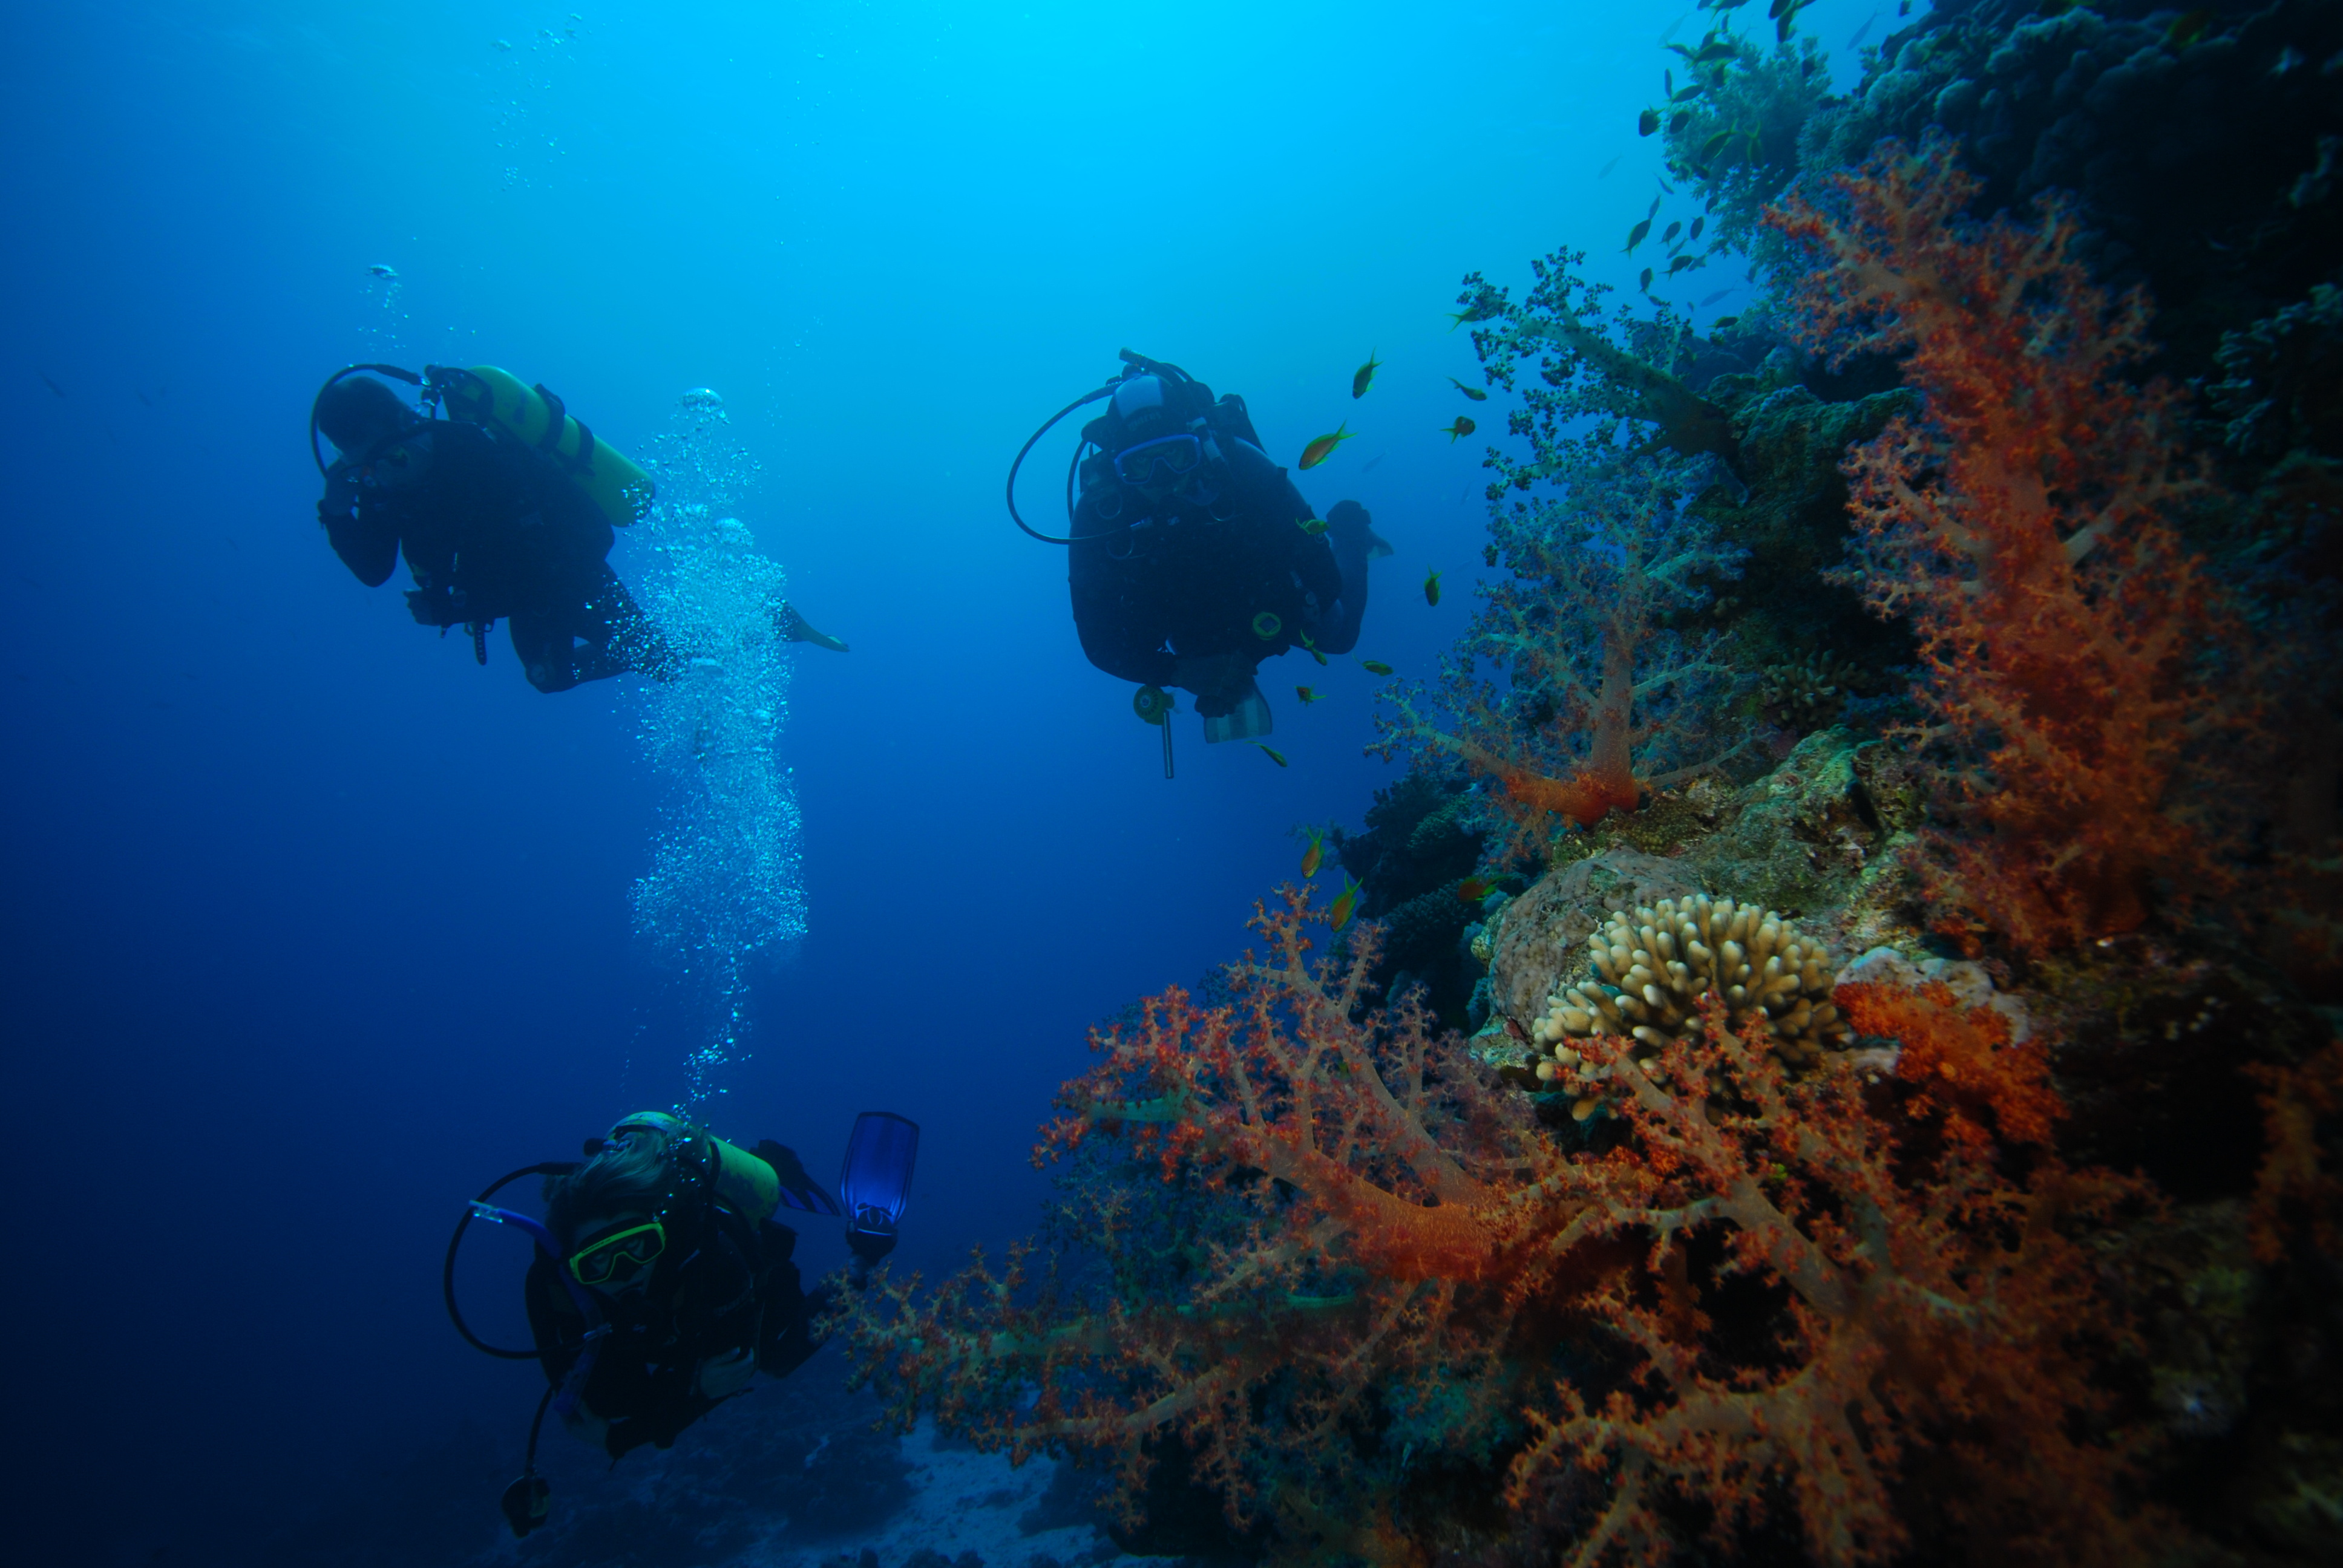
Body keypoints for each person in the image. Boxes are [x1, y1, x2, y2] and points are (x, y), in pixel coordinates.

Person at [312, 372, 850, 688]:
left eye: (381, 456)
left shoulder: (472, 452)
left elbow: (568, 549)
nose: (375, 475)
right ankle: (746, 636)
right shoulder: (380, 486)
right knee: (550, 678)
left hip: (570, 575)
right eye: (360, 467)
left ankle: (768, 622)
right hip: (509, 593)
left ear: (396, 424)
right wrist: (338, 514)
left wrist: (456, 607)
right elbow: (374, 571)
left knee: (659, 660)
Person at [522, 1113, 902, 1461]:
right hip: (659, 1331)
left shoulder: (713, 1254)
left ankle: (860, 1259)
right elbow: (588, 1402)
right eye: (597, 1262)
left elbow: (737, 1367)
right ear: (572, 1264)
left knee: (776, 1359)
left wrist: (623, 1437)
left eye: (639, 1246)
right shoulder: (551, 1286)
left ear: (662, 1235)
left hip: (735, 1280)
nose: (624, 1273)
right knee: (616, 1398)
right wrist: (680, 1396)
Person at [1066, 359, 1387, 741]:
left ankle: (1350, 535)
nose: (1164, 478)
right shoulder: (1098, 516)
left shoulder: (1241, 465)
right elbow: (1099, 644)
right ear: (1118, 471)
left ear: (1198, 447)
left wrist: (1255, 648)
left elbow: (1326, 582)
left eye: (1177, 455)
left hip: (1266, 594)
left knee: (1340, 636)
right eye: (1140, 466)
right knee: (1194, 650)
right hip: (1187, 624)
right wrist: (1181, 673)